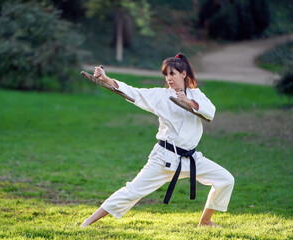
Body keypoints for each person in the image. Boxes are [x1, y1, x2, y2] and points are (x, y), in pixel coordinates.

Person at [80, 53, 234, 228]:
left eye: (172, 74)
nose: (168, 78)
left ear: (183, 74)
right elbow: (133, 92)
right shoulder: (160, 96)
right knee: (132, 191)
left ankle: (205, 222)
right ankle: (87, 222)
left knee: (226, 179)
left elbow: (210, 112)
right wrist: (106, 79)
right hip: (164, 158)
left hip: (191, 158)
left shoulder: (196, 95)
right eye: (166, 75)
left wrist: (189, 101)